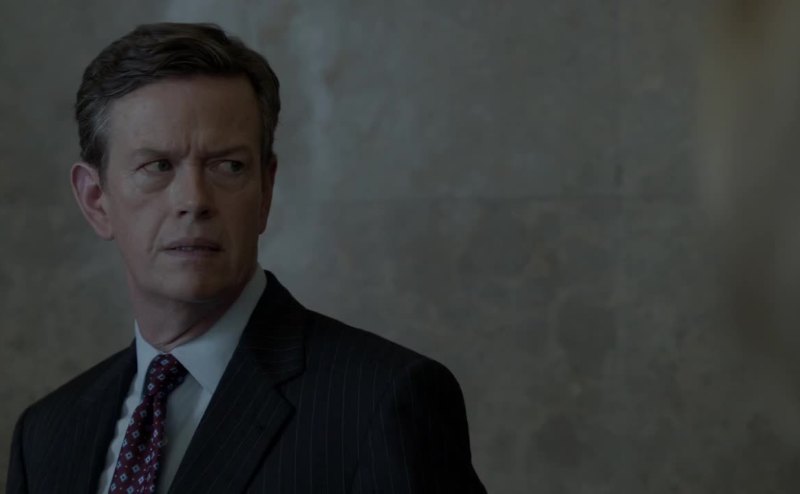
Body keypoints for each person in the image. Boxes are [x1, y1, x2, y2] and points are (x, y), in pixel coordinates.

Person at [6, 22, 486, 494]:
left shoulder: (382, 401)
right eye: (158, 166)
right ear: (95, 200)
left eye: (228, 166)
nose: (194, 200)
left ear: (265, 192)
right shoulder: (46, 435)